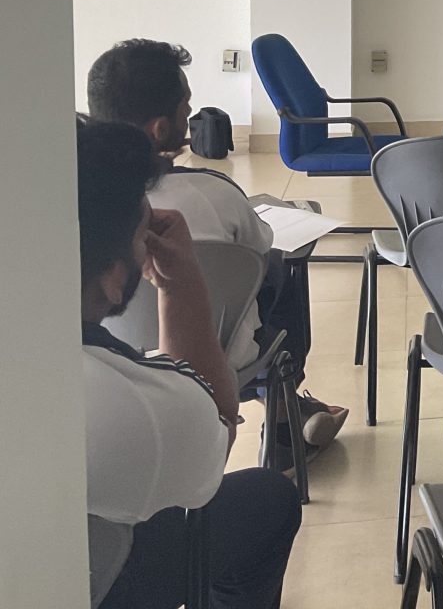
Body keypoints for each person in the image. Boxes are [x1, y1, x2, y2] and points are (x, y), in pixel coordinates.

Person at [79, 118, 301, 609]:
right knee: (267, 499)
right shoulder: (123, 408)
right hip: (80, 579)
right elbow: (213, 427)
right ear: (113, 278)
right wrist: (180, 282)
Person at [87, 39, 347, 456]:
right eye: (186, 105)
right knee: (283, 268)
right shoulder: (214, 194)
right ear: (160, 129)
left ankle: (290, 408)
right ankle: (283, 413)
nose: (191, 114)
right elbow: (260, 246)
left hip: (112, 360)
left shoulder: (84, 206)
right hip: (221, 361)